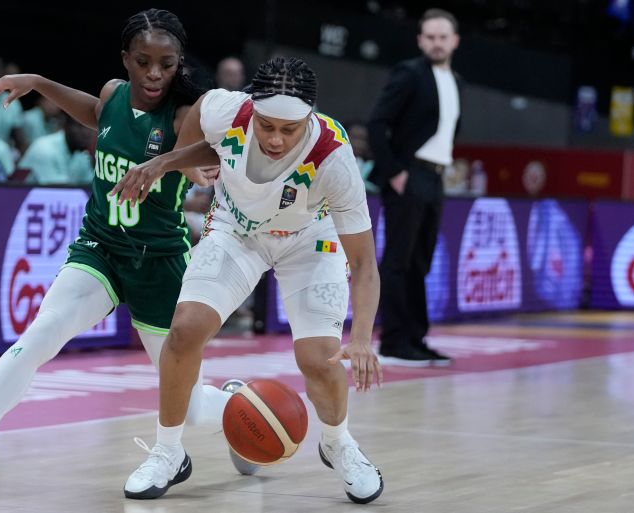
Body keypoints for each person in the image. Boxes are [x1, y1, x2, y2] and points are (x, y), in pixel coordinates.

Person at [0, 8, 251, 487]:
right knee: (41, 334)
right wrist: (37, 81)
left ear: (179, 65)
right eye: (143, 61)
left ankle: (242, 407)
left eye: (167, 63)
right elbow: (92, 111)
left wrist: (168, 165)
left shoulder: (184, 114)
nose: (154, 73)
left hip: (159, 261)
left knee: (191, 405)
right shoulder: (113, 96)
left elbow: (215, 153)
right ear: (125, 60)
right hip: (101, 247)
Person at [114, 56, 384, 504]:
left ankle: (338, 444)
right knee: (183, 331)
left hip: (308, 241)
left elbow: (366, 264)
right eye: (267, 126)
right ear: (252, 110)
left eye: (288, 130)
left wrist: (360, 339)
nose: (275, 139)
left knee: (319, 358)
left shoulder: (334, 156)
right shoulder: (226, 108)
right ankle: (168, 452)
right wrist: (170, 162)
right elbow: (205, 124)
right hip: (236, 231)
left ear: (310, 119)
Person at [367, 8, 461, 367]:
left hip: (435, 177)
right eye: (430, 37)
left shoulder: (456, 80)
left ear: (455, 41)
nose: (437, 43)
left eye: (443, 37)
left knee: (420, 261)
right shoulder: (409, 74)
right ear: (421, 40)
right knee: (398, 260)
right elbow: (377, 123)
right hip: (410, 174)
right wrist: (394, 172)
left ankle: (415, 338)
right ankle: (392, 341)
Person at [18, 115, 94, 185]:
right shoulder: (45, 148)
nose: (86, 133)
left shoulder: (81, 155)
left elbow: (90, 187)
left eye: (91, 128)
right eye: (80, 126)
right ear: (65, 126)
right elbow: (57, 191)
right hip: (18, 198)